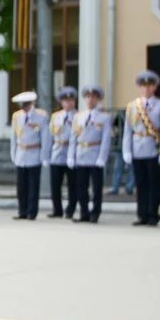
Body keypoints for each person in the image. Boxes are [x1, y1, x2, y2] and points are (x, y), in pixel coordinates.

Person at [123, 70, 160, 226]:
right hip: (137, 148)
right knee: (141, 184)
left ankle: (152, 214)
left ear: (155, 87)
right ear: (139, 87)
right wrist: (126, 150)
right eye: (143, 86)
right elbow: (127, 131)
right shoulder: (132, 106)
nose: (146, 89)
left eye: (150, 85)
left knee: (154, 184)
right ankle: (142, 214)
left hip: (153, 148)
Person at [68, 85, 112, 223]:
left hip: (95, 154)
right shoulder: (78, 117)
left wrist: (102, 157)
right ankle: (84, 212)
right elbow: (73, 138)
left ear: (97, 99)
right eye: (87, 97)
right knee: (81, 186)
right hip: (81, 154)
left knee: (96, 187)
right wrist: (71, 155)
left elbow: (106, 139)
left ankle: (95, 212)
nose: (90, 99)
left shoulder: (104, 117)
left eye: (93, 97)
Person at [9, 91, 48, 220]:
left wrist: (44, 156)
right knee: (21, 186)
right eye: (22, 105)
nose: (24, 107)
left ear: (31, 104)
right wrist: (13, 153)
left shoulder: (41, 116)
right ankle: (22, 211)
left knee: (33, 186)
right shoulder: (17, 116)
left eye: (26, 105)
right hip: (21, 154)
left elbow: (45, 138)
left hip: (34, 154)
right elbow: (13, 137)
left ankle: (32, 212)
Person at [47, 86, 78, 218]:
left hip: (73, 153)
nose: (68, 103)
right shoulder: (55, 117)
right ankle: (57, 209)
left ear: (74, 102)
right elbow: (50, 136)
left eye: (71, 100)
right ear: (61, 102)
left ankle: (70, 209)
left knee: (73, 184)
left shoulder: (79, 116)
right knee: (55, 184)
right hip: (57, 152)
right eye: (65, 101)